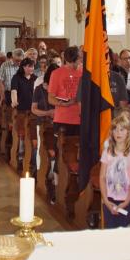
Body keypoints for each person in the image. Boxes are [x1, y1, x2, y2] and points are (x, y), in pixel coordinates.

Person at [47, 47, 82, 217]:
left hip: (81, 121)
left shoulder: (83, 73)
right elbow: (51, 98)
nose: (80, 62)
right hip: (63, 120)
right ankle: (57, 189)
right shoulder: (57, 73)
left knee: (78, 158)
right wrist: (65, 104)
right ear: (73, 59)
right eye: (79, 59)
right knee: (61, 157)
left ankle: (77, 192)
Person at [99, 116, 130, 229]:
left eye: (122, 129)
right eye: (115, 129)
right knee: (111, 231)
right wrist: (106, 201)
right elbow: (102, 177)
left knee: (124, 233)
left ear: (128, 132)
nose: (118, 132)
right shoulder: (107, 152)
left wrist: (126, 202)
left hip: (127, 200)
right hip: (110, 200)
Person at [32, 63, 57, 203]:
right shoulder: (39, 89)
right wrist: (48, 112)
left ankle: (54, 181)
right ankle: (41, 176)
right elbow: (34, 109)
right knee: (43, 151)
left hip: (58, 126)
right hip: (43, 124)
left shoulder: (60, 88)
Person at [11, 58, 38, 174]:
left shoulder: (35, 79)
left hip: (32, 111)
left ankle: (32, 159)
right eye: (28, 66)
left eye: (32, 66)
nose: (31, 69)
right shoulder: (16, 78)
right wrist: (14, 101)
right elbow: (14, 91)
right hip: (21, 110)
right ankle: (20, 156)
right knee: (22, 134)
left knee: (32, 135)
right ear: (23, 67)